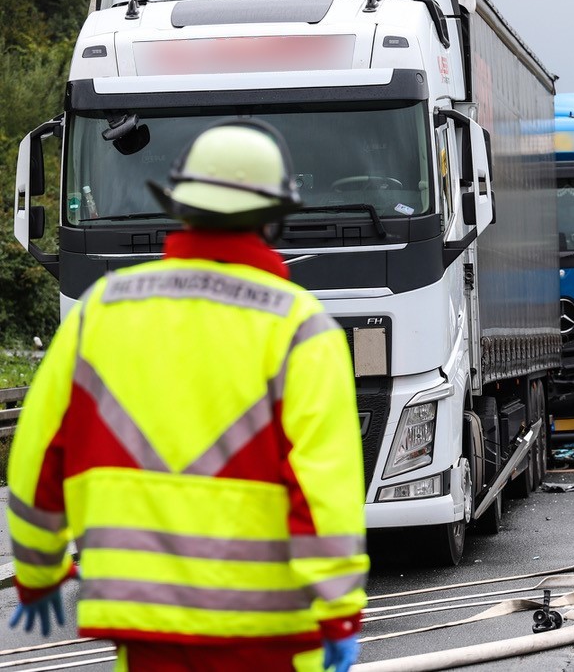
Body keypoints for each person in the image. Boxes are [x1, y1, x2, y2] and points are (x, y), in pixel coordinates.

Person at [6, 120, 368, 672]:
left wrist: (37, 572)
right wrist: (338, 612)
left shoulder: (102, 311)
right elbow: (324, 493)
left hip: (144, 624)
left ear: (179, 208)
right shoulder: (300, 329)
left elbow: (36, 456)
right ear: (273, 220)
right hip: (267, 634)